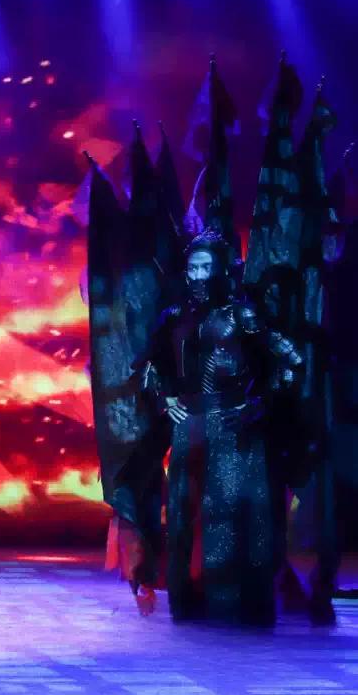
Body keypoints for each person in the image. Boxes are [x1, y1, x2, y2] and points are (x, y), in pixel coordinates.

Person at [139, 229, 302, 625]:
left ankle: (237, 602)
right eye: (192, 268)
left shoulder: (242, 316)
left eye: (205, 267)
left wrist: (258, 405)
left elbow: (291, 361)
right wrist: (165, 399)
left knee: (231, 515)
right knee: (185, 515)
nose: (198, 276)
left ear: (222, 270)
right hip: (190, 425)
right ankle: (188, 599)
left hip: (234, 426)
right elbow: (148, 366)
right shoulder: (174, 317)